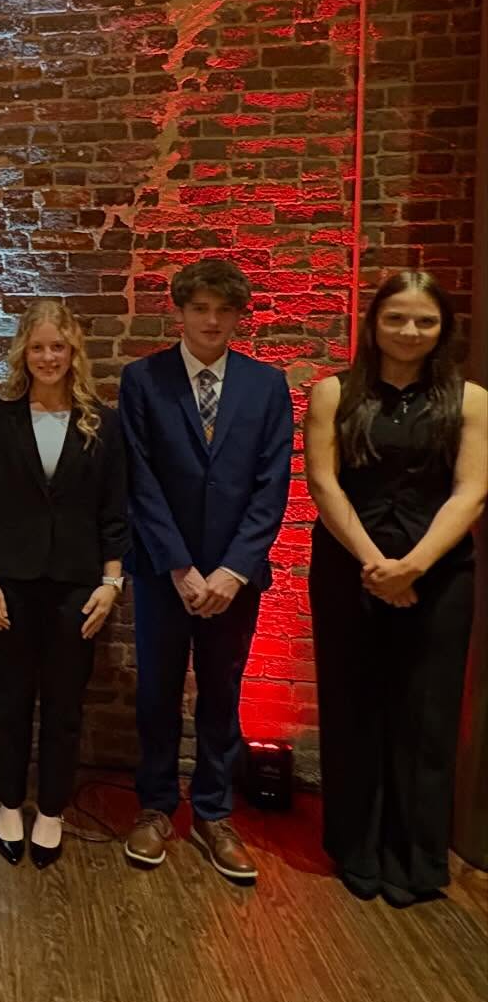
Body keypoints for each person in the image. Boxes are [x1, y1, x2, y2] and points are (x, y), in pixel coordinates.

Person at [305, 272, 486, 907]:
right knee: (352, 707)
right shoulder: (333, 393)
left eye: (424, 320)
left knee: (427, 716)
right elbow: (323, 483)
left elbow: (472, 491)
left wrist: (413, 567)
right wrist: (376, 564)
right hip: (348, 567)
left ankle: (415, 862)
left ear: (443, 329)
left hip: (440, 573)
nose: (409, 331)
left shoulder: (471, 400)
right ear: (373, 324)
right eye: (396, 318)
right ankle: (356, 850)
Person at [118, 258, 292, 881]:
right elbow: (139, 479)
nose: (212, 321)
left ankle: (215, 813)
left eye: (224, 310)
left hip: (233, 581)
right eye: (200, 309)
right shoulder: (143, 380)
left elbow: (273, 484)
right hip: (163, 573)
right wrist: (179, 566)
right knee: (157, 692)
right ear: (180, 312)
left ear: (239, 316)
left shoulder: (267, 385)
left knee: (222, 694)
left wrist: (233, 571)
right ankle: (156, 805)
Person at [0, 300, 127, 868]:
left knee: (63, 706)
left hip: (77, 587)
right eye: (38, 347)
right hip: (11, 583)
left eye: (58, 346)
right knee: (10, 701)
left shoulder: (103, 423)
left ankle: (52, 810)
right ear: (23, 353)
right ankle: (9, 802)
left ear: (73, 351)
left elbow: (115, 512)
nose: (48, 357)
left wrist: (112, 583)